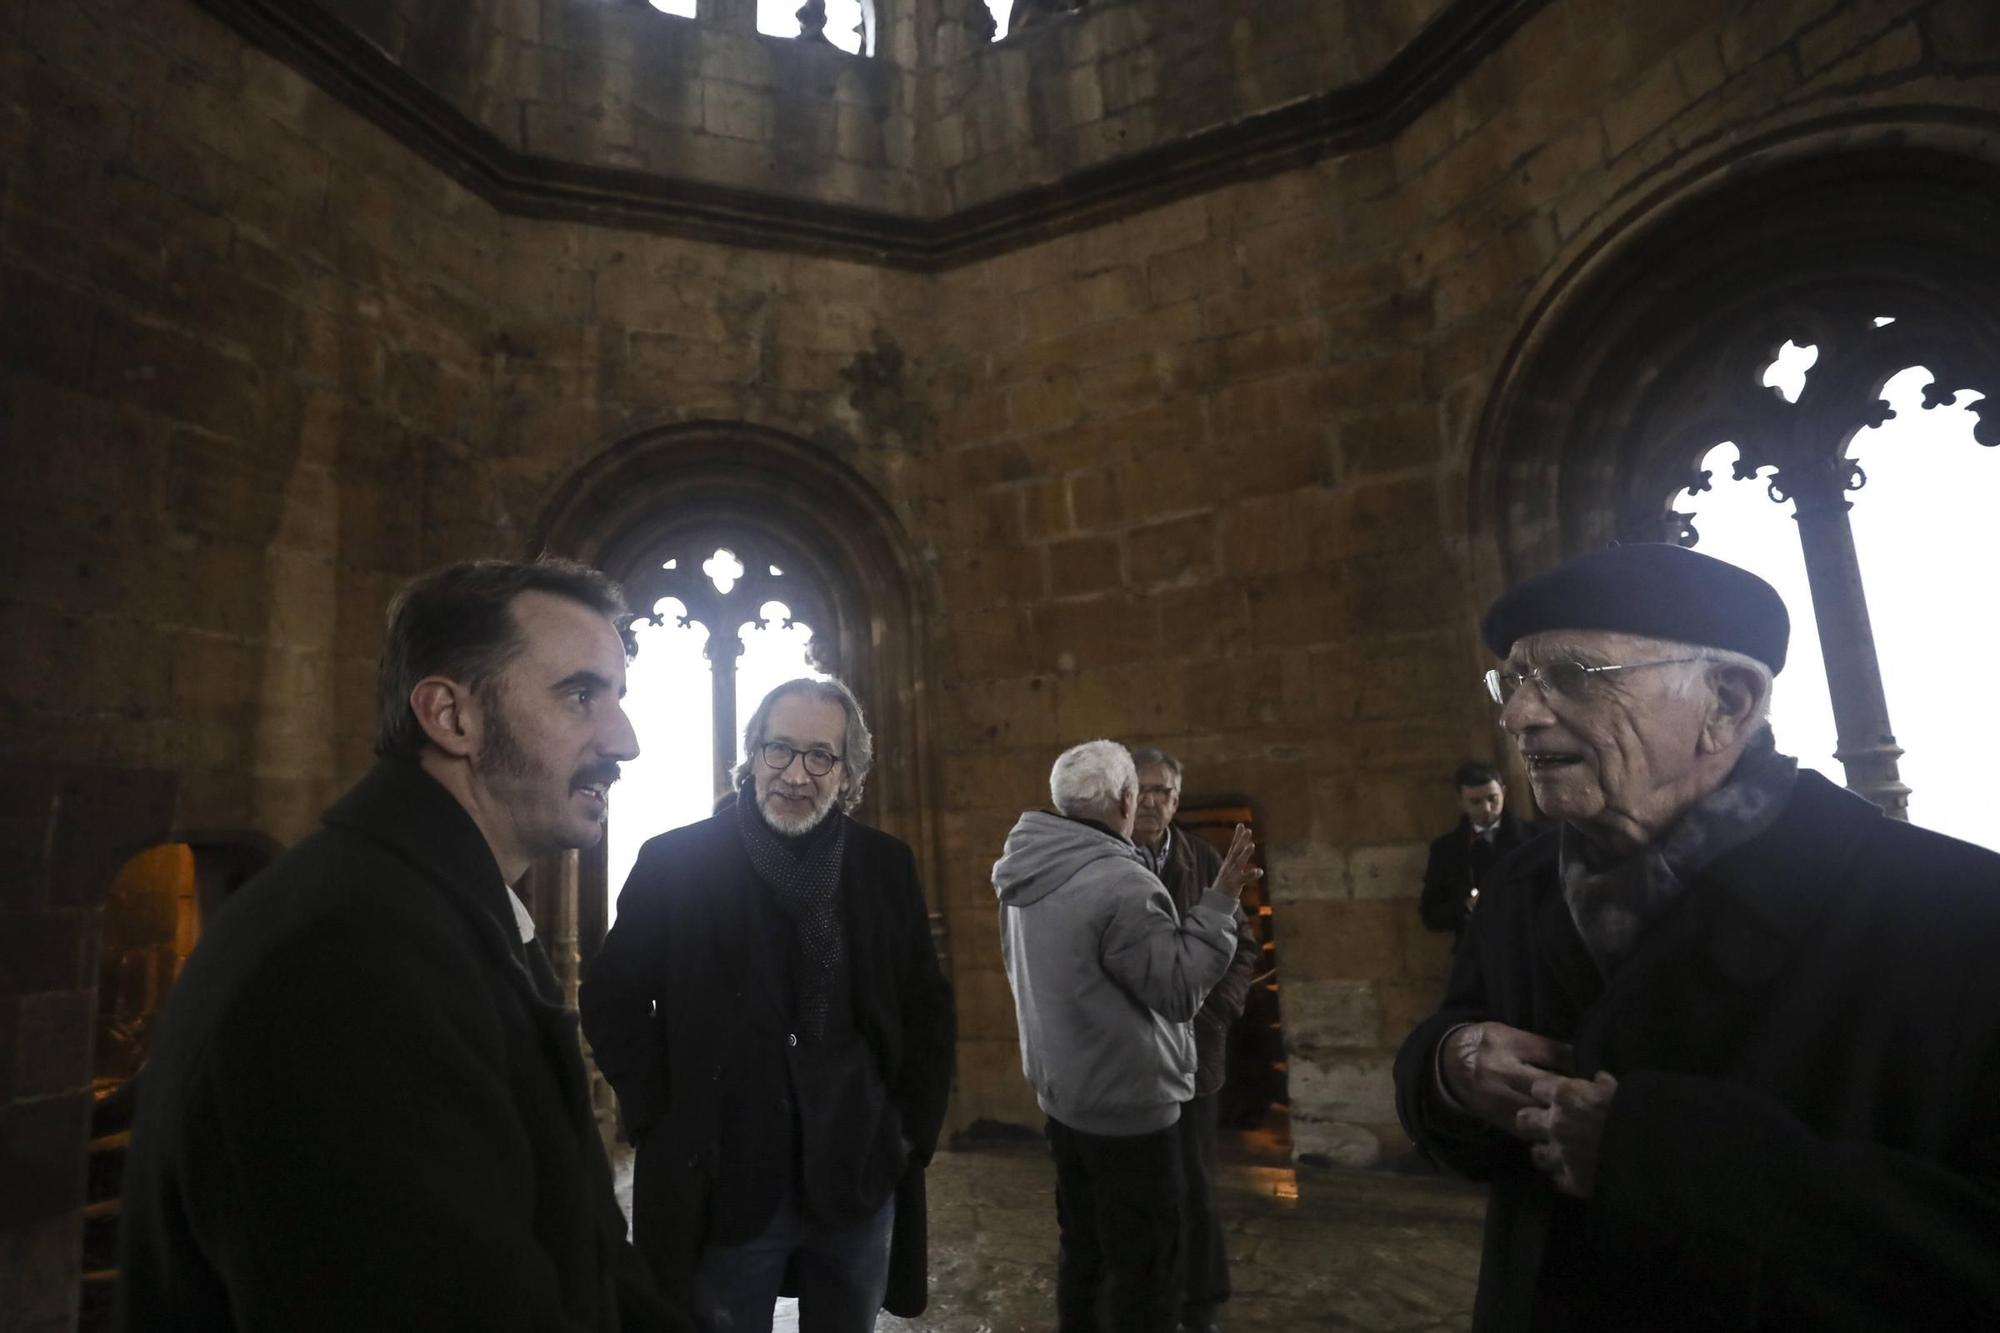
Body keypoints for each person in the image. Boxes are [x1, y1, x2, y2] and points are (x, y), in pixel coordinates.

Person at [1393, 542, 2000, 1331]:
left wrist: (1667, 1154)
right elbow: (1451, 1044)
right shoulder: (1521, 887)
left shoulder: (1955, 913)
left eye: (1573, 676)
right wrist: (1450, 1067)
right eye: (1513, 680)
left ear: (1728, 701)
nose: (1518, 715)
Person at [119, 558, 673, 1331]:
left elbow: (587, 1249)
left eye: (618, 698)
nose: (626, 740)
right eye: (580, 694)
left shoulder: (442, 904)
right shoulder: (346, 958)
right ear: (451, 717)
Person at [580, 678, 955, 1333]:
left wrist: (908, 1135)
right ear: (752, 754)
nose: (795, 774)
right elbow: (610, 998)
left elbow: (926, 1005)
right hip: (724, 1179)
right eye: (779, 749)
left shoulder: (883, 864)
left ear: (848, 772)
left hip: (857, 1172)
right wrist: (661, 1115)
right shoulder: (676, 860)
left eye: (820, 756)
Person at [994, 739, 1260, 1333]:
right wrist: (1219, 902)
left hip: (1066, 1097)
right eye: (1142, 791)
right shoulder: (1120, 880)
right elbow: (1177, 990)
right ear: (1124, 798)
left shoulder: (1025, 864)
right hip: (1129, 1107)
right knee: (1146, 1272)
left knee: (1083, 1253)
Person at [1128, 746, 1259, 1333]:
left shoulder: (1202, 859)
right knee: (1138, 1186)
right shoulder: (1108, 858)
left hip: (1196, 1050)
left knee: (1195, 1184)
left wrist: (1216, 1013)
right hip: (1128, 1054)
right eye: (1145, 790)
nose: (1154, 801)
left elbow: (1242, 945)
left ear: (1178, 800)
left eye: (1165, 791)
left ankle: (1200, 1301)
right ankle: (1147, 1296)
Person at [1418, 760, 1538, 949]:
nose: (1487, 808)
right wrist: (1466, 905)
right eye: (1476, 801)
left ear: (1504, 793)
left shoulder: (1536, 838)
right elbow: (1431, 916)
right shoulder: (1446, 849)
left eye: (1493, 799)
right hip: (1477, 952)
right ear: (1461, 802)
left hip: (1530, 947)